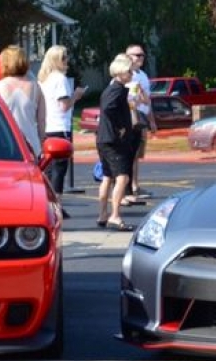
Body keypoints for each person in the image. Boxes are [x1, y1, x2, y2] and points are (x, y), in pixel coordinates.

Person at [95, 54, 136, 231]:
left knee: (107, 176)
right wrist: (120, 126)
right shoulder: (117, 90)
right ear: (120, 72)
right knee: (122, 177)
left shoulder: (112, 88)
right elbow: (109, 109)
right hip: (113, 140)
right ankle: (114, 215)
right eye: (129, 71)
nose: (131, 74)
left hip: (103, 138)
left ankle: (102, 214)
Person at [37, 45, 85, 194]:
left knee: (49, 168)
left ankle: (49, 199)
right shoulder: (60, 79)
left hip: (47, 126)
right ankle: (57, 201)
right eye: (64, 57)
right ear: (57, 60)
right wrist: (76, 96)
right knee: (60, 168)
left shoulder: (44, 80)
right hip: (59, 127)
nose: (67, 60)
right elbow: (64, 106)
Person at [0, 45, 46, 157]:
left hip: (5, 146)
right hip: (31, 146)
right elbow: (42, 121)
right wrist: (42, 143)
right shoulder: (36, 88)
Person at [123, 43, 156, 205]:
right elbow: (128, 100)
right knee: (130, 154)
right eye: (137, 55)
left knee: (137, 154)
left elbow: (147, 100)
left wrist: (152, 121)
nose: (140, 58)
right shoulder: (126, 76)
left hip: (141, 116)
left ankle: (135, 185)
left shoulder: (142, 75)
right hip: (131, 117)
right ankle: (128, 188)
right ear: (128, 57)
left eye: (142, 55)